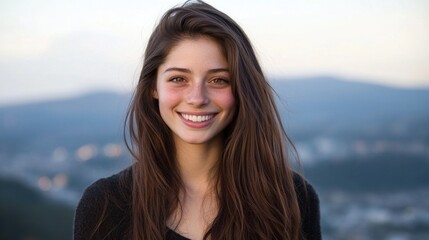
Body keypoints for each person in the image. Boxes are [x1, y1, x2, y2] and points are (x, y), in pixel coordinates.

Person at [74, 1, 321, 239]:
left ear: (242, 90)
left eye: (218, 80)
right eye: (178, 79)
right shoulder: (104, 205)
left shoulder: (292, 197)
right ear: (153, 87)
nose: (197, 97)